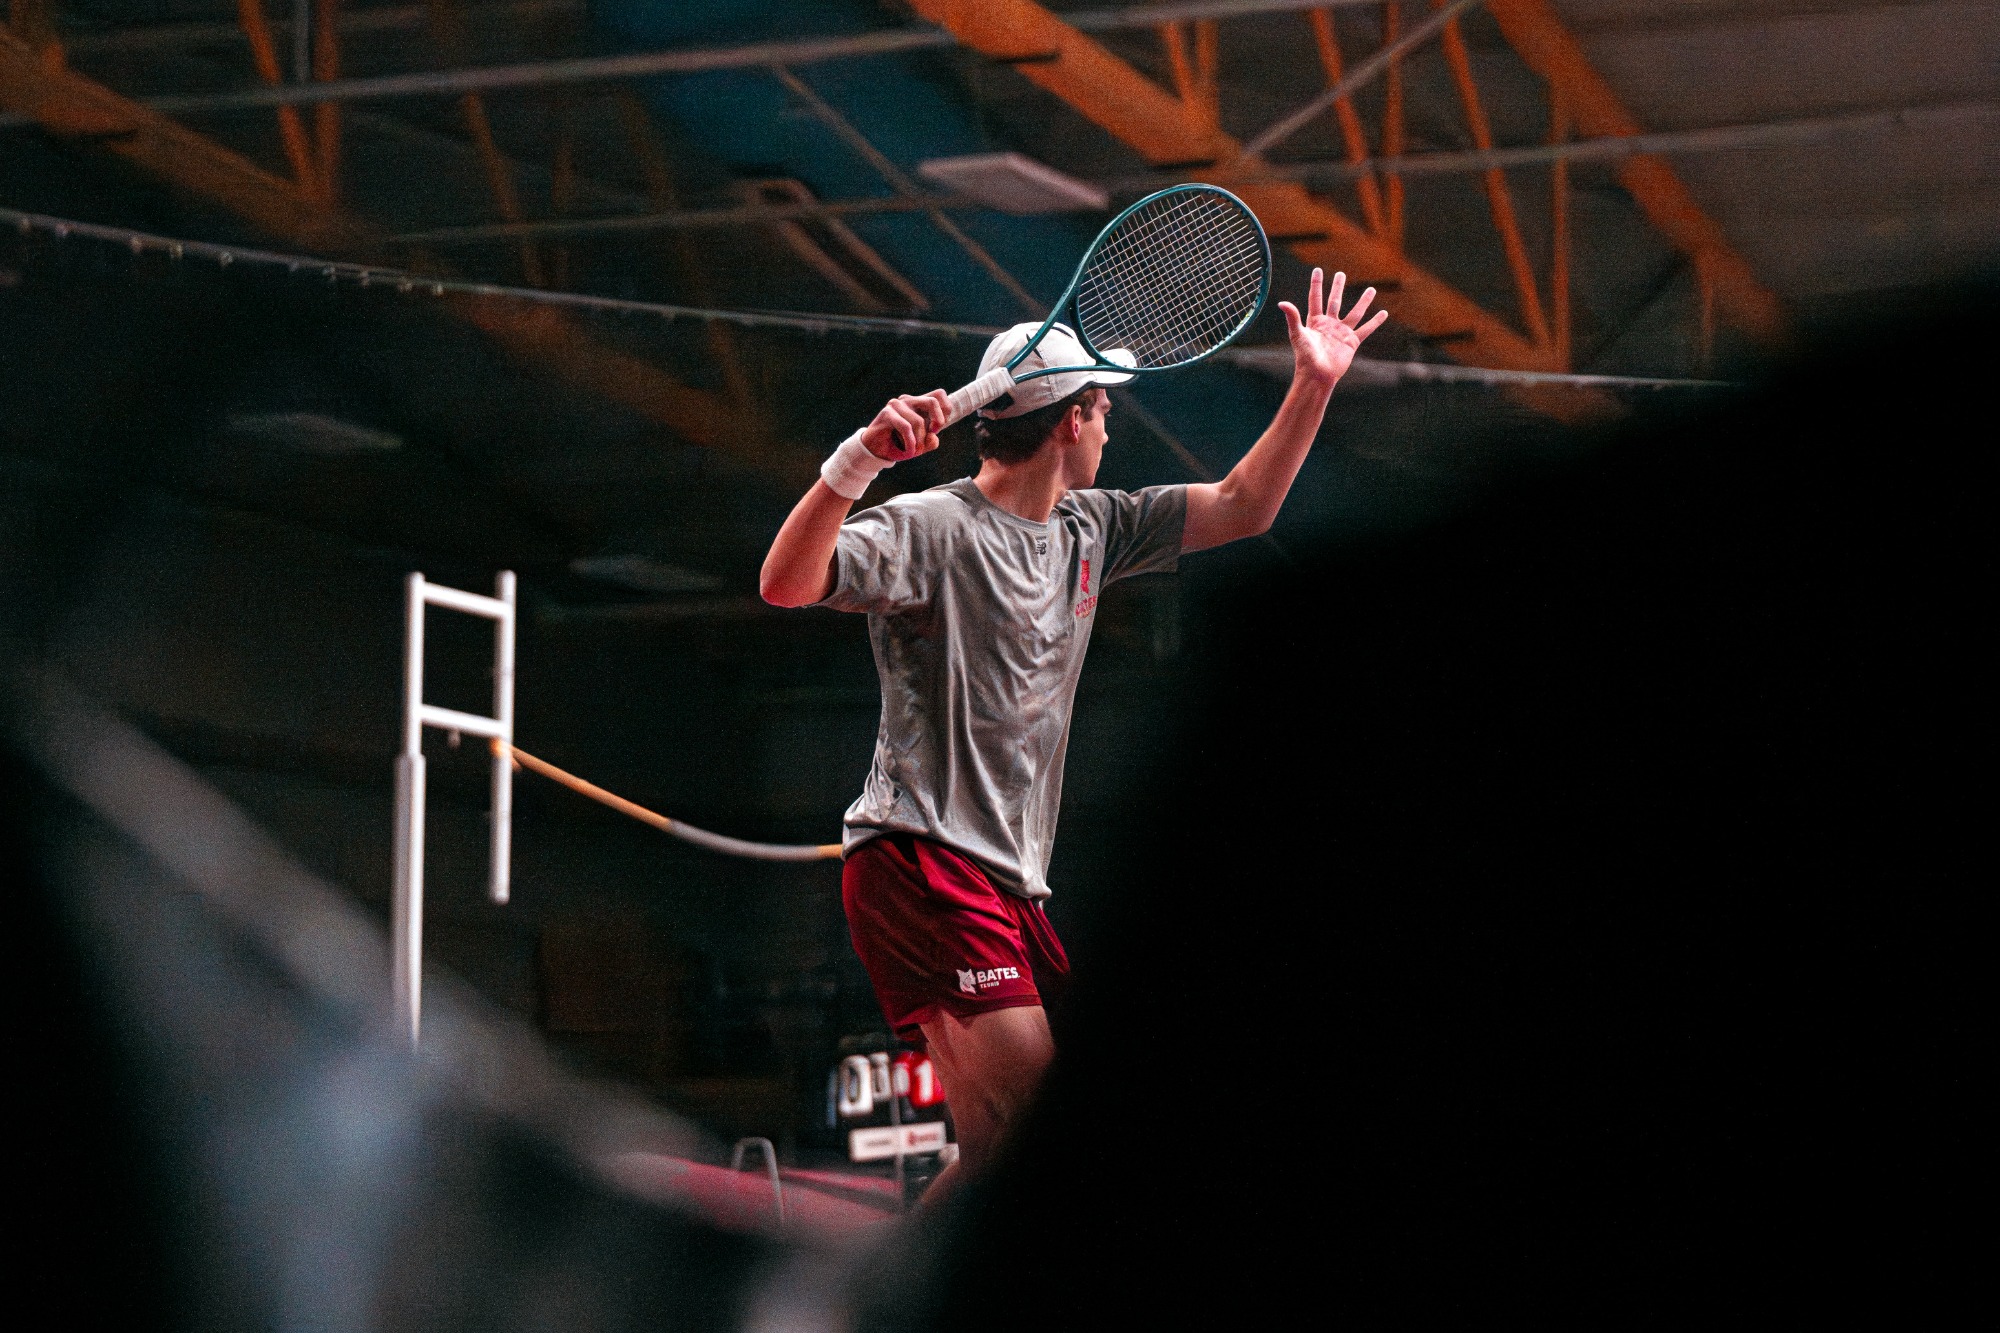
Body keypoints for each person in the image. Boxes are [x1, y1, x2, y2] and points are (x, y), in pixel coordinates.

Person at [761, 269, 1387, 1198]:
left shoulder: (1093, 528)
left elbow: (1245, 506)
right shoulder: (933, 527)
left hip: (1005, 879)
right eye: (1103, 409)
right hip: (921, 858)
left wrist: (1314, 384)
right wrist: (858, 463)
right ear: (1069, 418)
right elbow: (785, 581)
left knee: (996, 1155)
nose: (1110, 426)